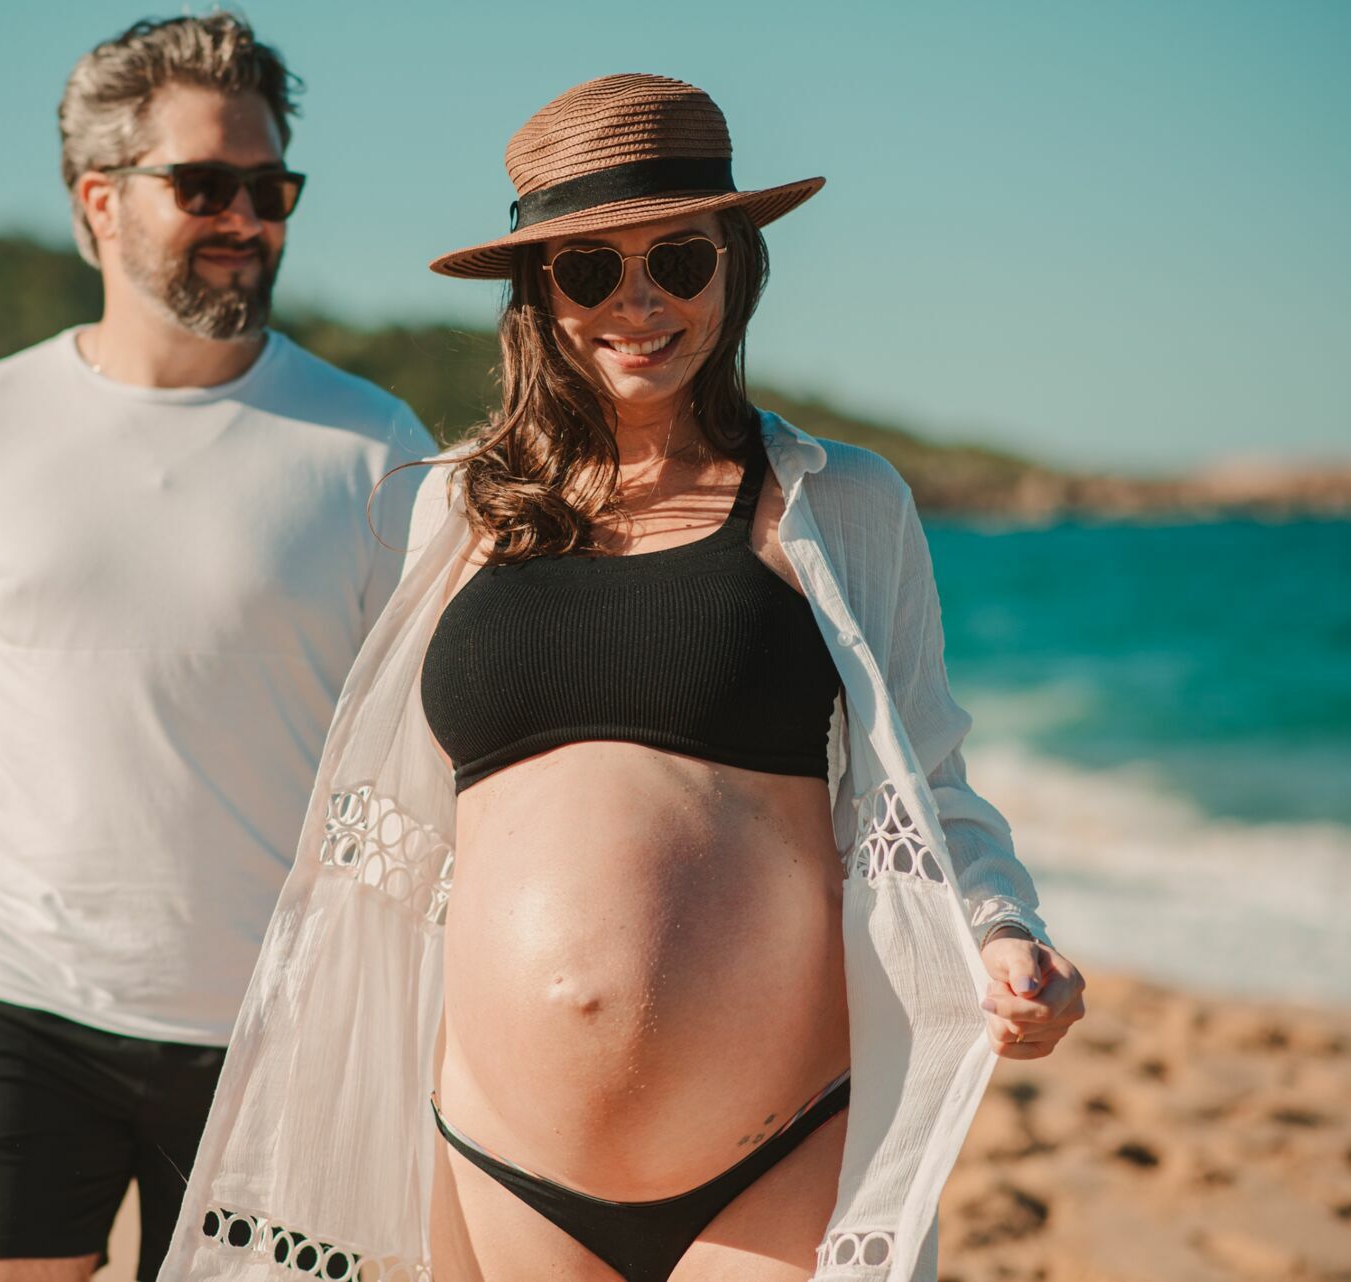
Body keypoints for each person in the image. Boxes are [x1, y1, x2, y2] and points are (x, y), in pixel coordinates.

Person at [156, 74, 1086, 1282]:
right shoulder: (451, 509)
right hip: (497, 1164)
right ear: (540, 296)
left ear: (735, 268)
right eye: (589, 270)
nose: (637, 303)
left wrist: (1003, 929)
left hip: (781, 1151)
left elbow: (926, 783)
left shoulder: (839, 505)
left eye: (679, 262)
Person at [0, 15, 435, 1281]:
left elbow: (444, 754)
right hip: (16, 999)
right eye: (205, 185)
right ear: (99, 199)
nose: (248, 218)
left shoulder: (374, 449)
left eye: (272, 189)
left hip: (285, 1033)